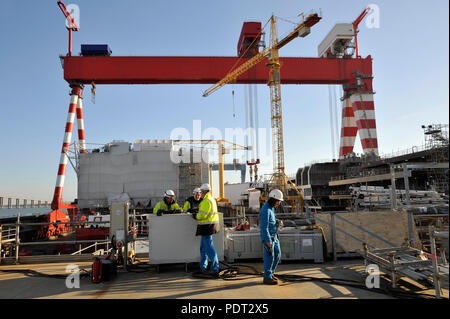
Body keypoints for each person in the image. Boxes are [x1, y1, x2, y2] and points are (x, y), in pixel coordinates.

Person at [192, 183, 220, 278]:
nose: (200, 194)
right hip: (209, 227)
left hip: (207, 227)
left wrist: (195, 215)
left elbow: (202, 215)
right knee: (203, 248)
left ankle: (215, 268)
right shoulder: (211, 199)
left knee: (209, 248)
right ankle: (203, 268)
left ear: (203, 192)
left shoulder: (206, 201)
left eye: (201, 192)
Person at [259, 189, 284, 285]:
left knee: (277, 255)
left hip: (274, 236)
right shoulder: (265, 210)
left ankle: (270, 273)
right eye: (278, 201)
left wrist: (277, 221)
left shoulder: (271, 208)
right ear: (274, 200)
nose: (279, 203)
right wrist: (268, 240)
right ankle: (267, 277)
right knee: (270, 257)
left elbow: (271, 219)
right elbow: (264, 227)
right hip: (269, 238)